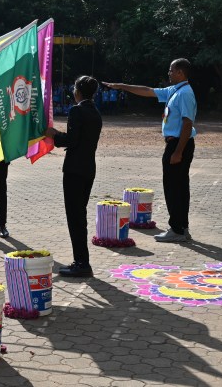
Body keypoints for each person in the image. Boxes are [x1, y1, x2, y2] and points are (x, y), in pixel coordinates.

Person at [104, 58, 197, 243]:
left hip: (179, 144)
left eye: (171, 70)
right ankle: (182, 227)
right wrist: (122, 86)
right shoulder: (175, 90)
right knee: (178, 187)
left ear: (180, 72)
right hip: (176, 143)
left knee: (173, 188)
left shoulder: (185, 93)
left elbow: (187, 123)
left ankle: (177, 229)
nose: (168, 73)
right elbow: (147, 91)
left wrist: (178, 151)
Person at [45, 76, 103, 277]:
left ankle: (81, 262)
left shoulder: (77, 111)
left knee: (75, 217)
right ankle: (81, 260)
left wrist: (53, 134)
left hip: (75, 170)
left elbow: (71, 139)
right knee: (80, 215)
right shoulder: (95, 112)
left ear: (78, 91)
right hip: (88, 169)